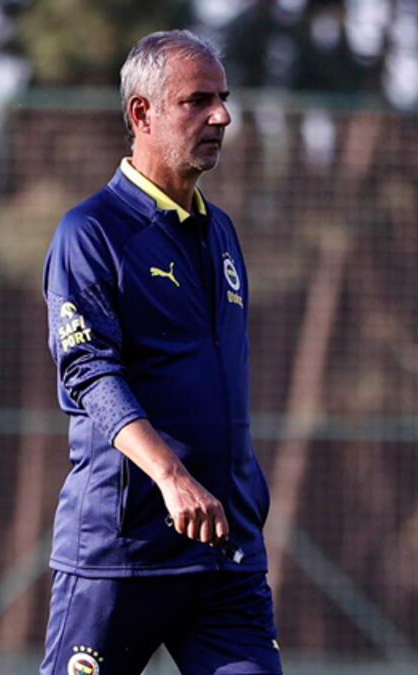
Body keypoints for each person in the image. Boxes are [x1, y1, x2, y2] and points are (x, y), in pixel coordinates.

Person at [39, 29, 280, 675]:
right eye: (198, 100)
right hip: (123, 554)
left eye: (223, 99)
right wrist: (171, 477)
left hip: (225, 554)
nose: (221, 116)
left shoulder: (221, 231)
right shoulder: (91, 233)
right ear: (141, 113)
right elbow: (89, 372)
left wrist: (245, 491)